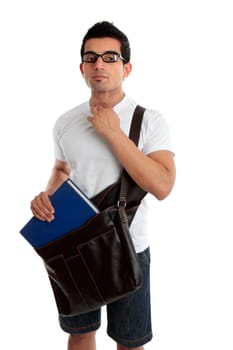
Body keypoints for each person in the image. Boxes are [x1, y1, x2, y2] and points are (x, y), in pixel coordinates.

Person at [30, 21, 176, 350]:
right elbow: (61, 168)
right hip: (73, 244)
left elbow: (163, 185)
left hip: (130, 248)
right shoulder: (65, 122)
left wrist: (112, 133)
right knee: (80, 333)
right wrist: (47, 196)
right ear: (82, 67)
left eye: (110, 57)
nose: (99, 63)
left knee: (130, 340)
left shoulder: (148, 120)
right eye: (91, 57)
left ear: (127, 68)